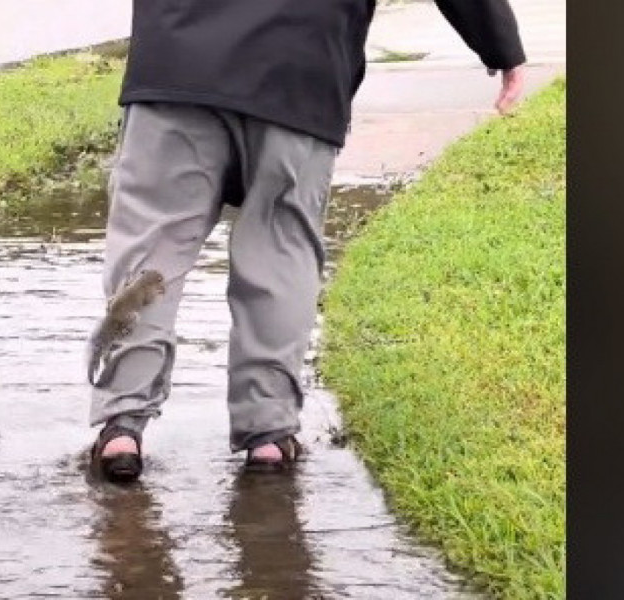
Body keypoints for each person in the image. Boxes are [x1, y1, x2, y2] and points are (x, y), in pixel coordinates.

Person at [87, 0, 526, 482]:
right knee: (281, 250)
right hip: (301, 67)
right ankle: (268, 435)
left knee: (152, 246)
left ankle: (123, 426)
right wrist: (499, 45)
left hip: (177, 58)